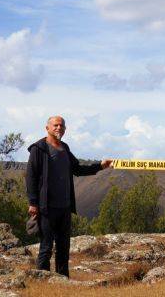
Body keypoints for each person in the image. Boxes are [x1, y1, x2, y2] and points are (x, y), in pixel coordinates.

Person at [25, 116, 112, 277]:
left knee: (64, 246)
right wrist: (33, 202)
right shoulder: (39, 149)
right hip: (46, 207)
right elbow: (31, 176)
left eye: (62, 126)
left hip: (64, 207)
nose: (59, 128)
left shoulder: (64, 147)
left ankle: (63, 279)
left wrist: (100, 166)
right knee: (46, 246)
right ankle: (42, 280)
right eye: (55, 125)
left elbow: (78, 169)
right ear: (47, 128)